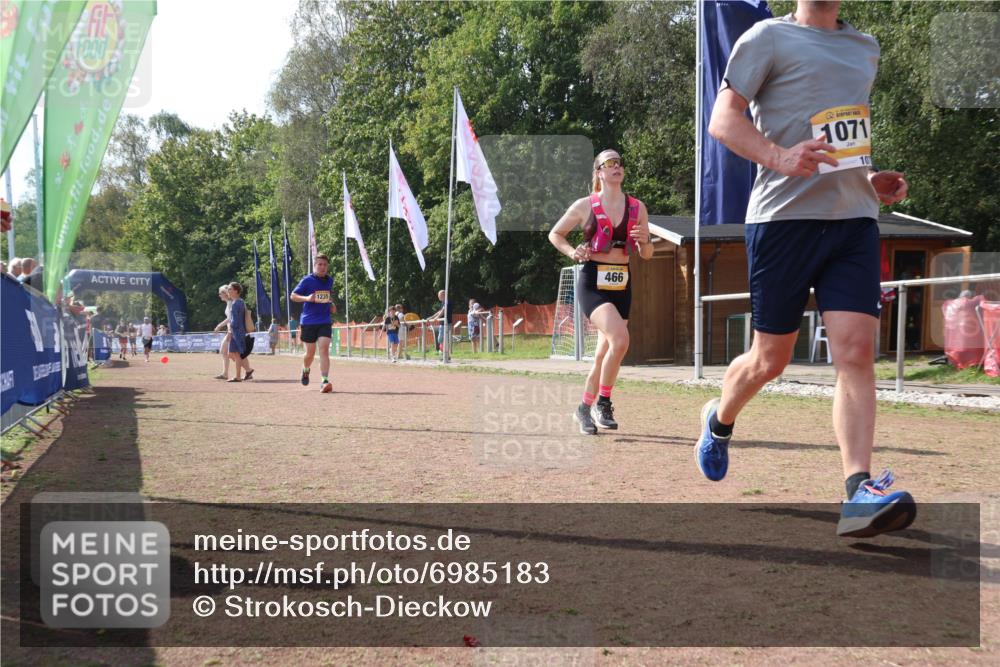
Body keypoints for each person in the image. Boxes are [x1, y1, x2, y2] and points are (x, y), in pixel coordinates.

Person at [702, 0, 914, 538]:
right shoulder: (765, 38)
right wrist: (778, 158)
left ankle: (858, 492)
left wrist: (870, 181)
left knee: (855, 352)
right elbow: (723, 121)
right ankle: (719, 420)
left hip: (853, 222)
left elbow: (845, 144)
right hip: (782, 220)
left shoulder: (865, 49)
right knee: (770, 359)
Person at [548, 149, 653, 435]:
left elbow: (646, 254)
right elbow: (555, 234)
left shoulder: (637, 208)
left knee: (602, 355)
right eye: (609, 163)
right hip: (593, 281)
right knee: (620, 339)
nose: (616, 166)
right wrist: (572, 251)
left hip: (622, 283)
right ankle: (603, 402)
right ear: (599, 172)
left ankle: (584, 407)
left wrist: (646, 242)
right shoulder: (584, 206)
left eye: (619, 162)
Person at [290, 253, 337, 392]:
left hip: (324, 320)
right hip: (309, 321)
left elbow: (327, 297)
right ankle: (305, 369)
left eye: (325, 265)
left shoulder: (329, 280)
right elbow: (293, 296)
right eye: (319, 264)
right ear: (315, 266)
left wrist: (331, 304)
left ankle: (324, 381)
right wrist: (307, 298)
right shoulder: (307, 280)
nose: (322, 267)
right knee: (310, 354)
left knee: (324, 350)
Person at [226, 282, 248, 382]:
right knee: (235, 354)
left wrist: (230, 330)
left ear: (236, 290)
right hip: (240, 331)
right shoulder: (240, 301)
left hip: (237, 332)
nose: (228, 291)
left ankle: (240, 375)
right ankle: (240, 375)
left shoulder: (235, 303)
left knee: (236, 354)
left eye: (230, 289)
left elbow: (235, 321)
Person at [429, 289, 455, 354]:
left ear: (443, 295)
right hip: (442, 324)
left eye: (439, 295)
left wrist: (436, 318)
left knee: (443, 339)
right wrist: (432, 317)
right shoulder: (443, 302)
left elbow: (443, 311)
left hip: (446, 323)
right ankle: (443, 352)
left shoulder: (447, 301)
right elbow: (439, 311)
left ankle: (445, 353)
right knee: (440, 339)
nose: (438, 297)